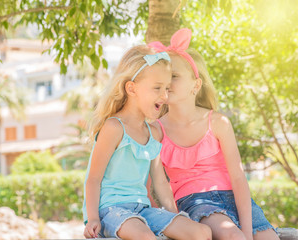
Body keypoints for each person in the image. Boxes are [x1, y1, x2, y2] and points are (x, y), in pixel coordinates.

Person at [149, 28, 279, 240]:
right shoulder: (156, 130)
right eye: (163, 77)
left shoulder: (218, 123)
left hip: (234, 198)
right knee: (233, 237)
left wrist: (247, 232)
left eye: (174, 76)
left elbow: (238, 178)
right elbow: (150, 185)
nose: (167, 82)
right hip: (194, 202)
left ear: (196, 85)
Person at [82, 45, 212, 240]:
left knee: (201, 232)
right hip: (112, 211)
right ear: (131, 88)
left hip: (143, 211)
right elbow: (93, 178)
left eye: (167, 89)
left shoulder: (153, 133)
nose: (165, 96)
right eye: (157, 88)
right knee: (146, 237)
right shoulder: (114, 128)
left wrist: (174, 216)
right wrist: (93, 218)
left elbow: (160, 182)